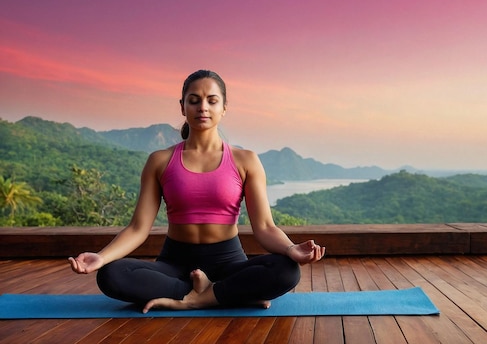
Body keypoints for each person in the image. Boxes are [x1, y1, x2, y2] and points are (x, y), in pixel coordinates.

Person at [68, 69, 325, 313]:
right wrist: (100, 258)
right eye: (194, 100)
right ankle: (218, 295)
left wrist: (291, 249)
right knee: (112, 275)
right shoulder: (160, 161)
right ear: (182, 106)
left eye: (212, 101)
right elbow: (138, 228)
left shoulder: (245, 160)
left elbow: (265, 227)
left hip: (228, 263)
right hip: (174, 265)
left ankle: (191, 298)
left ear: (224, 108)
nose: (203, 107)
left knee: (287, 270)